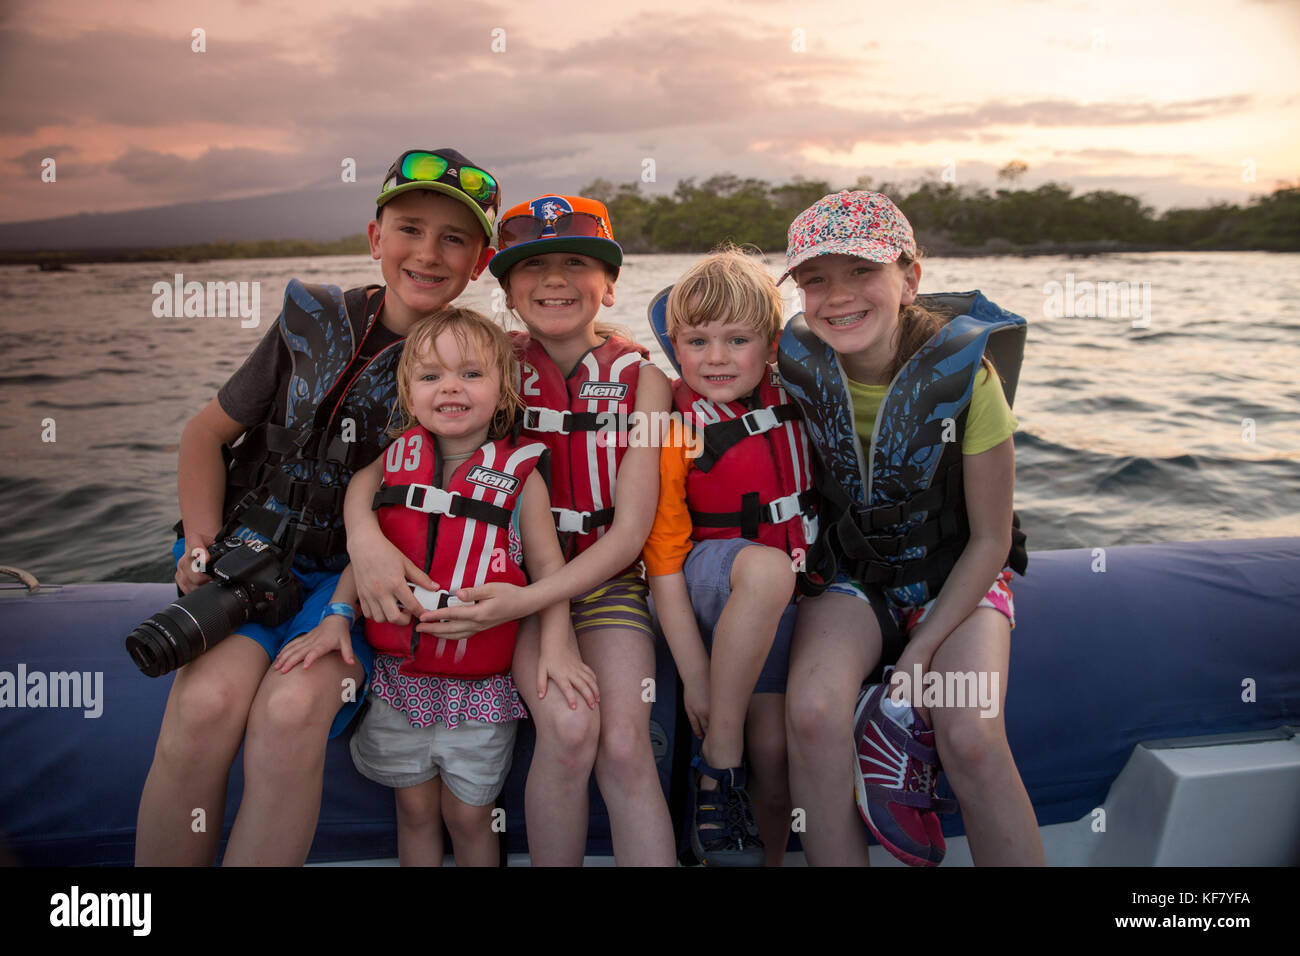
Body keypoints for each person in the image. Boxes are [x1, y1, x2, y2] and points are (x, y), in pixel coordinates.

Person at [135, 148, 500, 866]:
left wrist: (344, 602)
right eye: (410, 228)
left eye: (454, 238)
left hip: (353, 590)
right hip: (246, 561)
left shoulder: (470, 365)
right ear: (374, 238)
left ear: (480, 262)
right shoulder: (312, 323)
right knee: (203, 710)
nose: (428, 253)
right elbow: (205, 435)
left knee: (292, 710)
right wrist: (202, 546)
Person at [346, 194, 676, 866]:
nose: (553, 280)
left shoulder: (645, 382)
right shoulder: (488, 364)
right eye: (533, 267)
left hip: (600, 585)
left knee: (621, 743)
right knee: (569, 725)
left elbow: (632, 529)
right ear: (505, 286)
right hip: (513, 587)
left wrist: (527, 603)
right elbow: (384, 470)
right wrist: (364, 535)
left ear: (610, 284)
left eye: (576, 263)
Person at [777, 190, 1044, 867]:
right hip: (853, 581)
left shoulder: (969, 379)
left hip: (958, 576)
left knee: (974, 733)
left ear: (910, 278)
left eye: (862, 271)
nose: (838, 296)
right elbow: (694, 340)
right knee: (810, 716)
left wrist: (921, 650)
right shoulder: (796, 368)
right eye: (815, 278)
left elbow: (989, 539)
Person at [311, 307, 594, 866]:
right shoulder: (391, 465)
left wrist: (557, 645)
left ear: (504, 387)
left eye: (470, 373)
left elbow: (548, 570)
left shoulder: (524, 481)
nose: (451, 388)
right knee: (414, 811)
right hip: (399, 683)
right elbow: (370, 561)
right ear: (408, 391)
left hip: (480, 693)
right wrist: (336, 616)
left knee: (470, 815)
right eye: (431, 376)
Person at [643, 247, 816, 866]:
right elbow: (661, 561)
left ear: (771, 343)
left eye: (736, 339)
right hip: (709, 580)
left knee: (772, 750)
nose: (715, 358)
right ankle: (718, 761)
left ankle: (756, 851)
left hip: (780, 600)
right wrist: (693, 673)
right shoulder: (670, 421)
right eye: (697, 341)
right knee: (767, 568)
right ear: (674, 343)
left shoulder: (796, 393)